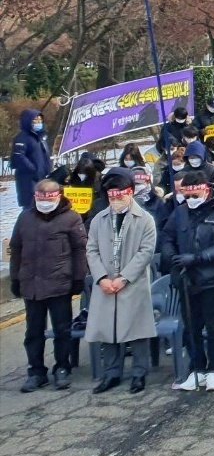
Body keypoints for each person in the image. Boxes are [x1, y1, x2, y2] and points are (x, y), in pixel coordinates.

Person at [9, 179, 89, 391]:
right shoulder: (25, 217)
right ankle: (36, 371)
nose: (44, 202)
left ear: (59, 196)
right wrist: (15, 278)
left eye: (49, 198)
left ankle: (62, 367)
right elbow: (16, 248)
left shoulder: (71, 218)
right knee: (33, 331)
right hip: (32, 284)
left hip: (59, 284)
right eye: (40, 198)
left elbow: (80, 250)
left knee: (62, 330)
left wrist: (78, 278)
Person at [162, 169, 214, 392]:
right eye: (188, 196)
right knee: (191, 328)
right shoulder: (180, 212)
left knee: (213, 327)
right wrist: (171, 255)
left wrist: (198, 258)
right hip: (185, 279)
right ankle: (197, 369)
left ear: (206, 190)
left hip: (210, 278)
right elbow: (167, 236)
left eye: (195, 196)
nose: (192, 200)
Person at [85, 168, 157, 394]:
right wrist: (102, 278)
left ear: (130, 193)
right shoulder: (99, 219)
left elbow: (146, 252)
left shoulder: (145, 220)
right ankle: (111, 373)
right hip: (106, 283)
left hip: (132, 282)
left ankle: (139, 373)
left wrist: (124, 277)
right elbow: (91, 250)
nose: (116, 199)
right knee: (109, 329)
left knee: (137, 330)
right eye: (111, 196)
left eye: (120, 195)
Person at [11, 109, 52, 210]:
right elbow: (19, 156)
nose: (38, 123)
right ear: (28, 121)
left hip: (41, 179)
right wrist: (33, 169)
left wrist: (48, 167)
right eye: (35, 121)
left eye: (40, 120)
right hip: (28, 180)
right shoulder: (22, 138)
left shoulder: (40, 137)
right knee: (30, 209)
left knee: (41, 208)